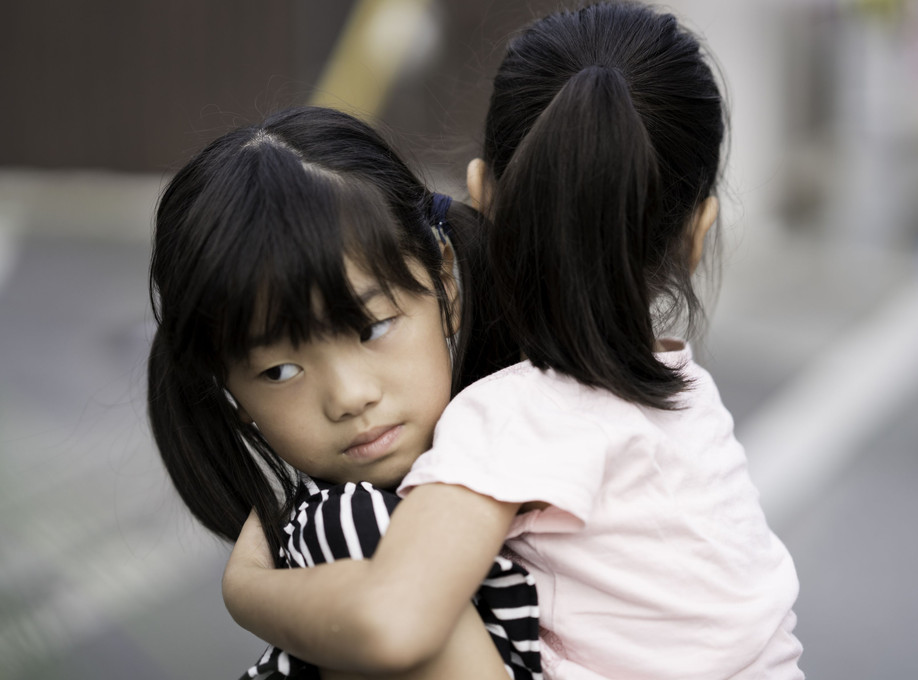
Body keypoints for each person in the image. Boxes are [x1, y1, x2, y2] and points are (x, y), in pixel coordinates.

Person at [223, 3, 804, 678]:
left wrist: (247, 590)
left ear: (481, 195)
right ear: (698, 232)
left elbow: (392, 623)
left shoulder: (509, 422)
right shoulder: (691, 405)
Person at [147, 106, 540, 680]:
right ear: (229, 393)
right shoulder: (358, 528)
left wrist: (249, 590)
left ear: (445, 281)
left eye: (372, 328)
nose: (349, 397)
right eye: (280, 371)